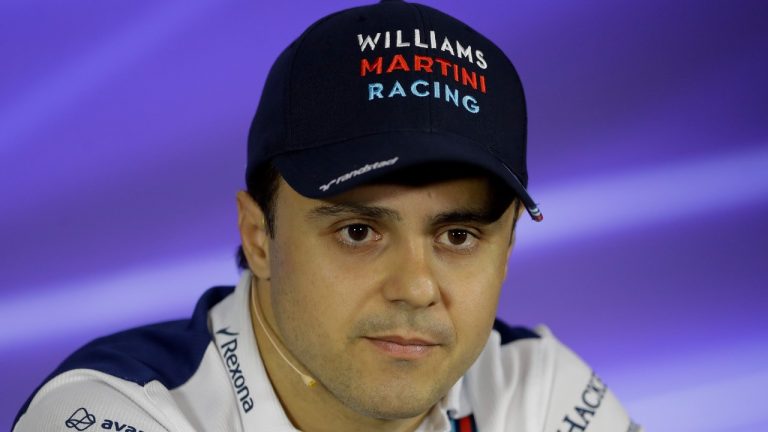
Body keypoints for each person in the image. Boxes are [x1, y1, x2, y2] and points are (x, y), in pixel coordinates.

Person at [14, 1, 641, 431]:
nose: (417, 288)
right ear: (259, 236)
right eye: (359, 231)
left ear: (505, 253)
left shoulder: (539, 393)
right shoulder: (110, 411)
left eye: (458, 235)